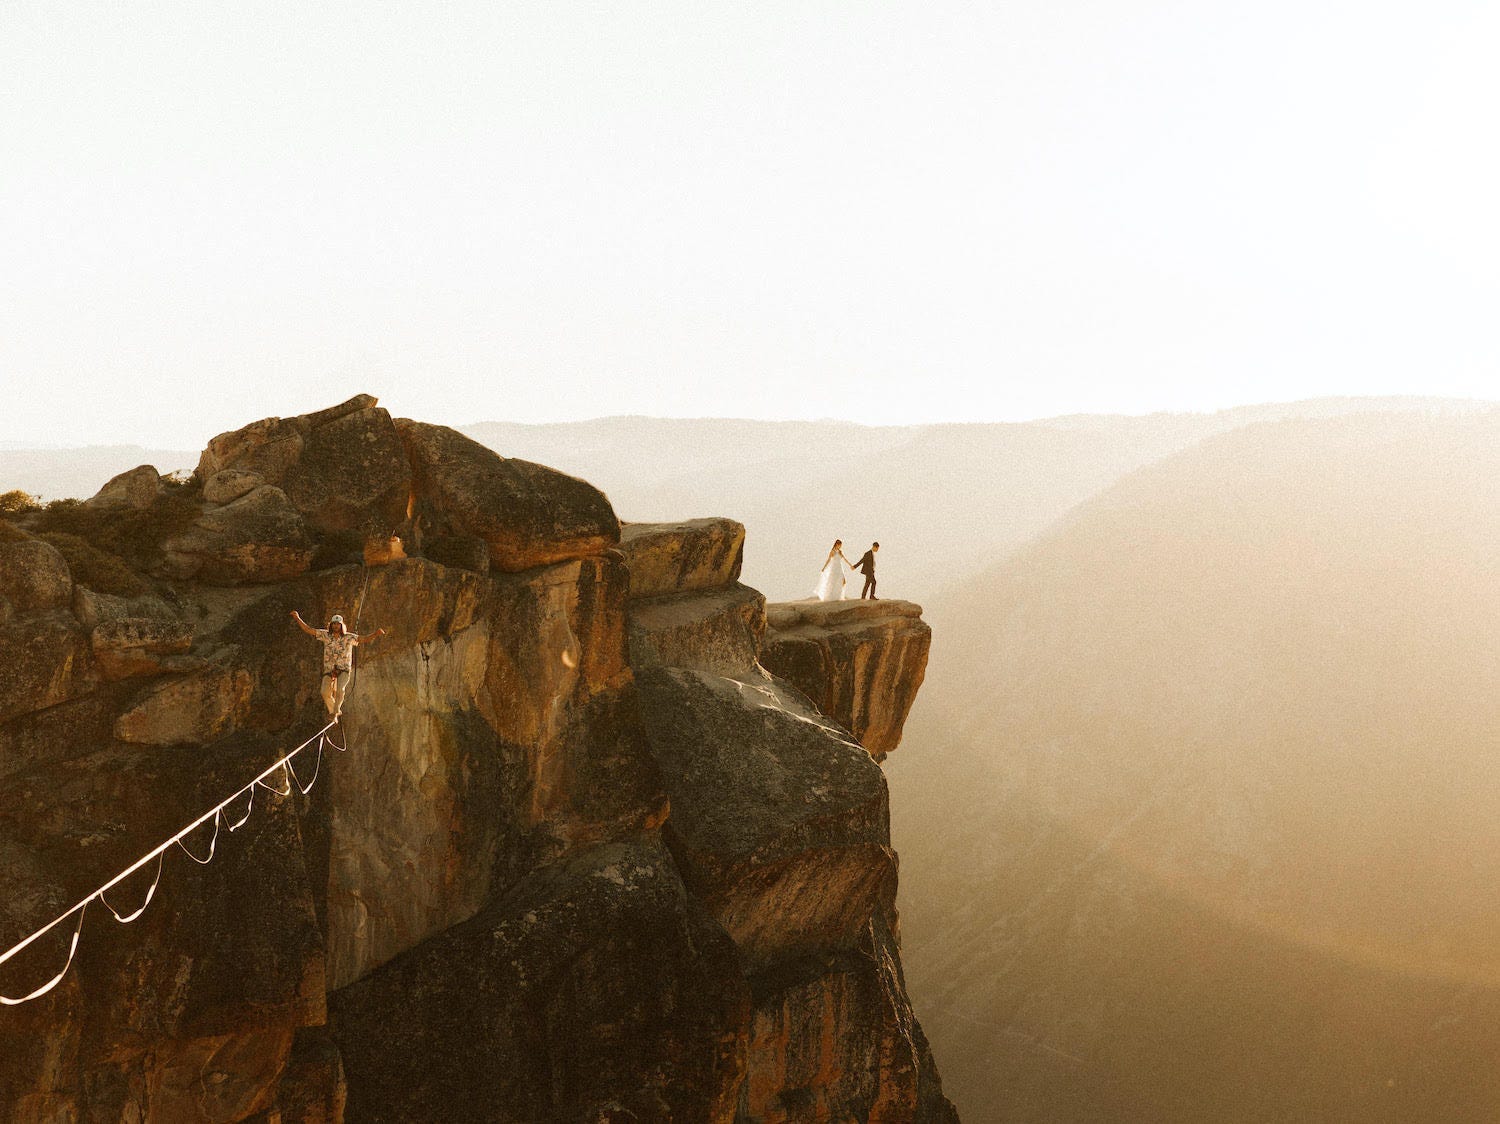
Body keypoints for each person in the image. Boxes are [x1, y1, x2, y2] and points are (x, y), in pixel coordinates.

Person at [290, 610, 386, 719]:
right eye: (334, 624)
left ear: (341, 625)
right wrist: (297, 618)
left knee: (340, 689)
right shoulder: (325, 635)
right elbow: (309, 630)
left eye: (338, 624)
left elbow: (363, 639)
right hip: (329, 669)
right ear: (331, 625)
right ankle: (333, 711)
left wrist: (375, 634)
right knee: (324, 692)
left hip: (344, 669)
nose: (336, 626)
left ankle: (335, 712)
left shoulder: (349, 637)